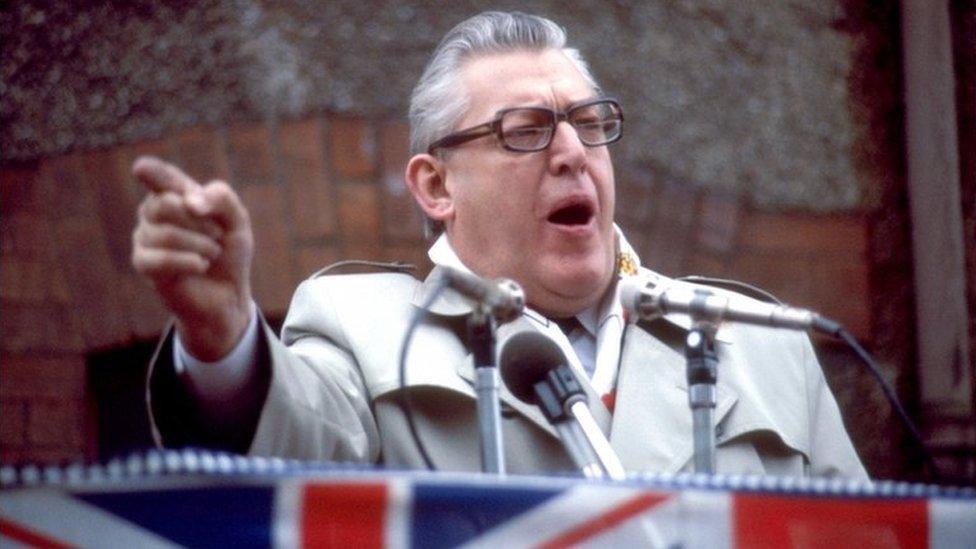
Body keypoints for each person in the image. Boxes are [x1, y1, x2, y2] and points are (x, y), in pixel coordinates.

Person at [132, 11, 867, 477]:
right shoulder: (362, 327)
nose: (574, 151)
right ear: (435, 186)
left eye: (590, 123)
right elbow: (292, 456)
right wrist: (222, 334)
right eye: (526, 130)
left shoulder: (761, 344)